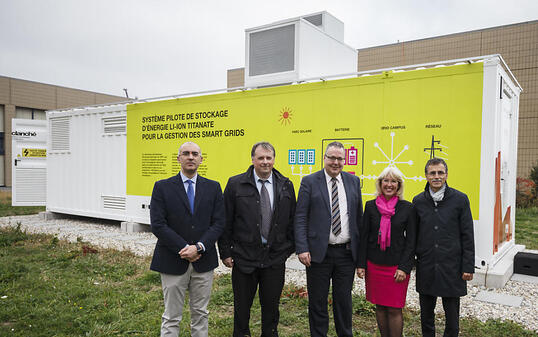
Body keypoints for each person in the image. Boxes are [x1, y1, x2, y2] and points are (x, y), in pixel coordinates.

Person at [218, 141, 296, 337]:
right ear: (252, 159)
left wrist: (287, 249)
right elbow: (225, 220)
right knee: (241, 308)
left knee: (271, 309)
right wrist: (225, 252)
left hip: (274, 259)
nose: (265, 162)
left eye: (269, 158)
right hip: (244, 258)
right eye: (260, 158)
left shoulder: (286, 185)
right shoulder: (235, 184)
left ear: (274, 160)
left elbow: (292, 220)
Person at [149, 141, 225, 337]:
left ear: (201, 159)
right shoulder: (162, 187)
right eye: (186, 153)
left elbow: (218, 223)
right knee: (172, 316)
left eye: (195, 154)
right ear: (179, 158)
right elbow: (158, 224)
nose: (191, 157)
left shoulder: (213, 188)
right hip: (172, 260)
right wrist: (184, 248)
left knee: (200, 313)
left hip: (203, 261)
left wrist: (199, 247)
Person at [294, 141, 363, 337]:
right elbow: (300, 217)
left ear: (344, 160)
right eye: (331, 157)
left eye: (340, 158)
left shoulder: (353, 181)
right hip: (318, 254)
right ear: (324, 158)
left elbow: (358, 218)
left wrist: (361, 257)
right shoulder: (309, 181)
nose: (336, 162)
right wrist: (302, 248)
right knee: (317, 301)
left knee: (344, 301)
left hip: (346, 254)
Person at [413, 158, 475, 337]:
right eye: (432, 173)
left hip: (452, 266)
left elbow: (467, 235)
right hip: (427, 265)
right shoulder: (418, 201)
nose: (437, 176)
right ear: (426, 176)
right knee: (426, 314)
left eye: (440, 172)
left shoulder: (460, 199)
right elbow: (414, 235)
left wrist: (468, 266)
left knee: (452, 315)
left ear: (446, 175)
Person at [356, 166, 416, 337]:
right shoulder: (370, 206)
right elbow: (364, 237)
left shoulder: (407, 208)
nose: (389, 184)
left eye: (393, 181)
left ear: (399, 185)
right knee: (380, 307)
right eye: (386, 181)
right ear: (380, 183)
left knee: (395, 309)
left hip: (396, 268)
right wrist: (361, 264)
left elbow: (411, 241)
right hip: (374, 266)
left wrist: (404, 268)